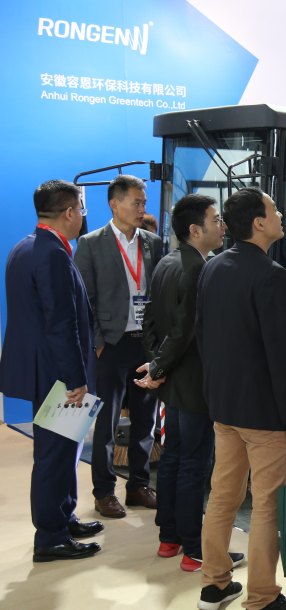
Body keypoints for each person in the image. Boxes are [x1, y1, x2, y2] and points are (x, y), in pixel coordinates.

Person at [195, 187, 286, 610]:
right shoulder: (271, 274)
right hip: (262, 412)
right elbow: (280, 351)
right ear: (259, 223)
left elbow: (202, 335)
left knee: (222, 495)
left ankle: (214, 585)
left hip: (223, 405)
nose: (280, 215)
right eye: (274, 209)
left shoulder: (212, 266)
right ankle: (262, 598)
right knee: (265, 505)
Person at [135, 194, 241, 572]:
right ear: (196, 230)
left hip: (174, 381)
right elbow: (185, 330)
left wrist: (157, 364)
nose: (222, 226)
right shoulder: (200, 269)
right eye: (216, 220)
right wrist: (158, 367)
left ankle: (170, 538)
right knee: (194, 465)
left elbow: (149, 319)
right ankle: (196, 549)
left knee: (174, 459)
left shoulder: (167, 261)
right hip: (194, 382)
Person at [0, 180, 103, 562]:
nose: (83, 217)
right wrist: (76, 379)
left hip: (43, 367)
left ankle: (63, 516)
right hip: (57, 373)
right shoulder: (53, 254)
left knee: (64, 449)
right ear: (70, 212)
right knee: (53, 454)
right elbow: (61, 323)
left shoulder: (25, 246)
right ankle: (50, 536)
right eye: (81, 210)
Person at [74, 174, 163, 519]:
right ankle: (104, 492)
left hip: (146, 345)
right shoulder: (90, 244)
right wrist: (98, 343)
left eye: (144, 203)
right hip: (111, 345)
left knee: (145, 421)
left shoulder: (152, 243)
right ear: (114, 204)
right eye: (136, 202)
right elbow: (85, 300)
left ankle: (138, 486)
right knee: (107, 423)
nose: (142, 209)